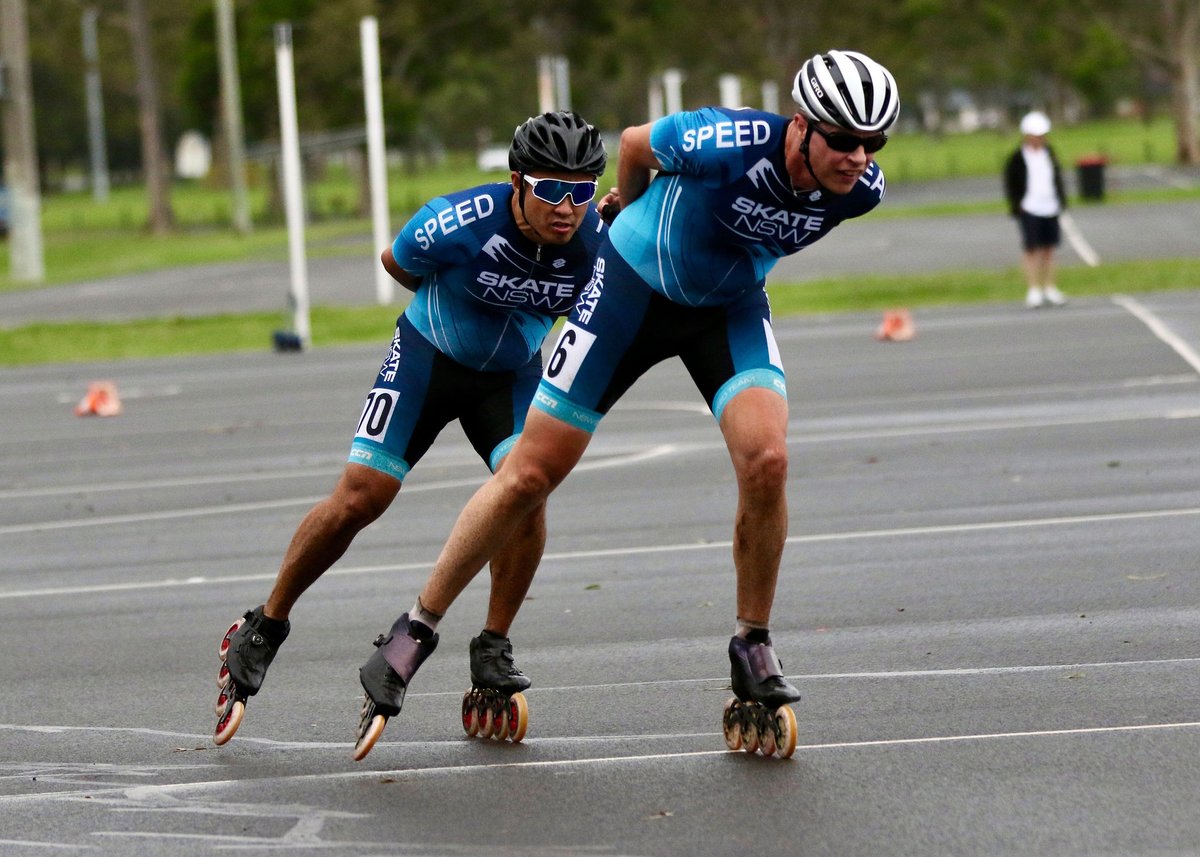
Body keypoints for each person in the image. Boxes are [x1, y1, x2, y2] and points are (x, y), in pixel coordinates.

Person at [354, 49, 900, 760]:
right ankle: (415, 626)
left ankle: (752, 644)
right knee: (528, 475)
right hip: (628, 292)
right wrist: (625, 203)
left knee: (767, 459)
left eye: (872, 143)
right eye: (842, 139)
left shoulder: (861, 190)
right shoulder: (723, 141)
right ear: (800, 126)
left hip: (725, 310)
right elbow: (636, 144)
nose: (857, 156)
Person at [214, 110, 610, 746]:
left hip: (507, 378)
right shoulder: (455, 222)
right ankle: (266, 623)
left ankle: (493, 647)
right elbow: (396, 262)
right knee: (360, 500)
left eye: (582, 190)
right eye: (550, 188)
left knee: (529, 491)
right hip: (426, 359)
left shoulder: (597, 242)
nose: (566, 206)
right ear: (516, 182)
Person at [1004, 110, 1068, 308]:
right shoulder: (1017, 157)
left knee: (1049, 249)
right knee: (1031, 249)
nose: (1040, 138)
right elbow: (1011, 183)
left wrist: (1060, 201)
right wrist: (1018, 205)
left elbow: (1056, 179)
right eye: (1036, 135)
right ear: (1027, 135)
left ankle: (1049, 287)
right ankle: (1034, 289)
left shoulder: (1050, 153)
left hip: (1050, 207)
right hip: (1029, 208)